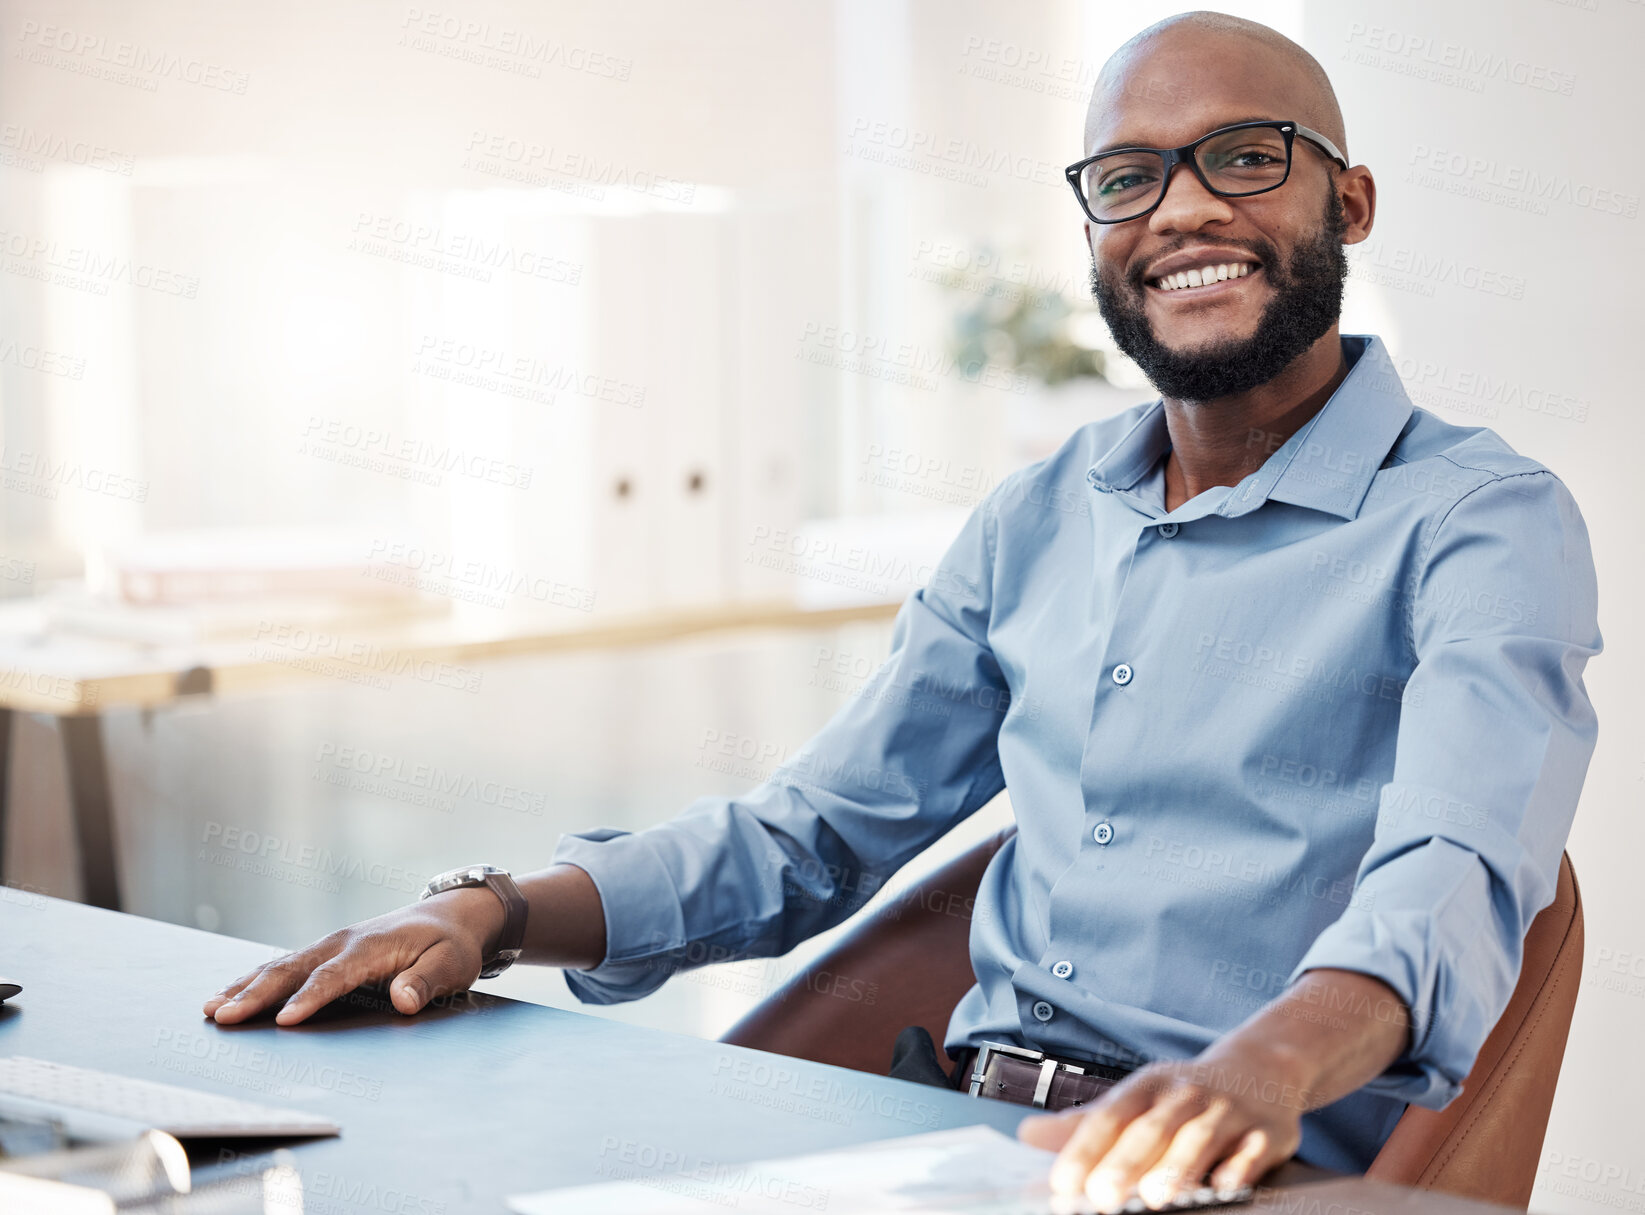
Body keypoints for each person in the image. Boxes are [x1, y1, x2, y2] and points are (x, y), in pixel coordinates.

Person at [203, 11, 1602, 1209]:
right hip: (937, 1142)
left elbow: (1456, 872)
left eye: (1243, 158)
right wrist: (494, 916)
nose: (1181, 210)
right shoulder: (1036, 516)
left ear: (1345, 205)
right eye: (1128, 178)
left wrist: (1260, 1069)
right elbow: (809, 836)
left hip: (1240, 1173)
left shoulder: (1481, 521)